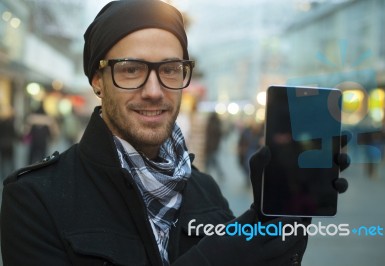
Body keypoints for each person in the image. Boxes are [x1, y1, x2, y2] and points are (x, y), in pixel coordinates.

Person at [0, 1, 350, 265]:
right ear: (97, 81)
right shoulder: (35, 199)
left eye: (170, 69)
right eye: (131, 69)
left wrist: (271, 220)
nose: (154, 90)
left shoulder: (205, 189)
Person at [204, 112, 225, 180]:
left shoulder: (210, 124)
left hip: (210, 145)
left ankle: (207, 174)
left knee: (211, 160)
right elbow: (220, 134)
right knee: (212, 160)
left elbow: (208, 135)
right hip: (214, 146)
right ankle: (219, 174)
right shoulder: (218, 124)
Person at [0, 105, 16, 180]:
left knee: (4, 161)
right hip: (9, 144)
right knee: (10, 161)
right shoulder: (10, 122)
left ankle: (4, 176)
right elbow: (15, 134)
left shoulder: (2, 122)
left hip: (3, 144)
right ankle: (11, 176)